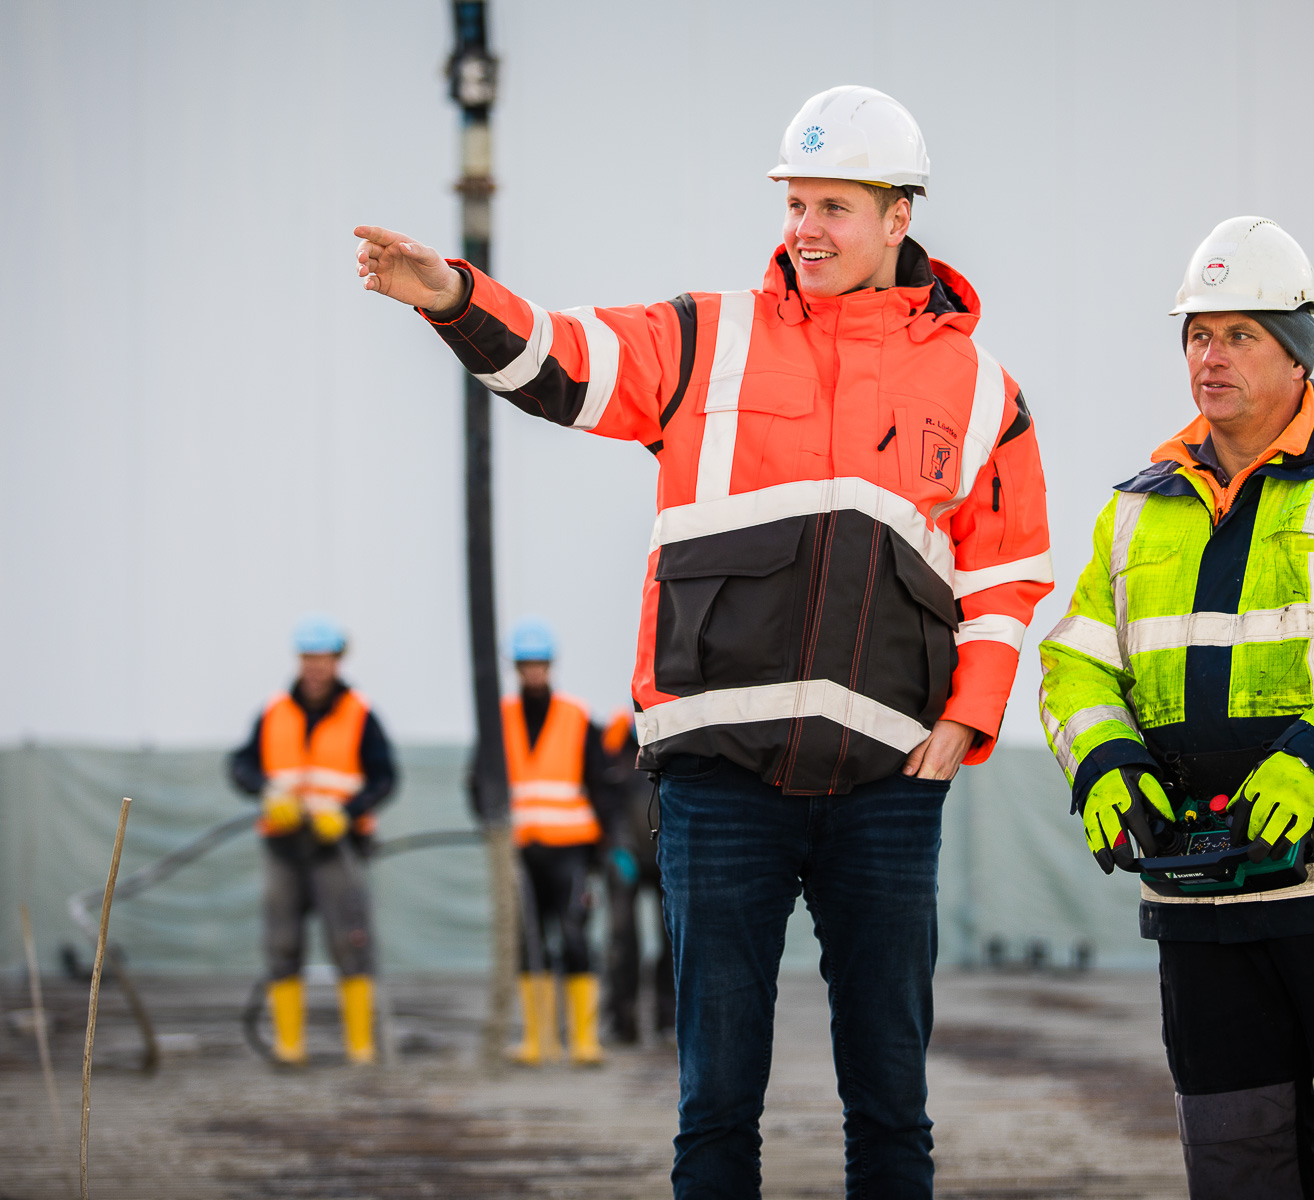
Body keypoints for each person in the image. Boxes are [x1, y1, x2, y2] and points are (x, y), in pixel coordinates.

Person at [355, 84, 1052, 1198]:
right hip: (719, 787)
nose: (806, 230)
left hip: (884, 790)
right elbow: (566, 361)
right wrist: (452, 296)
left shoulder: (978, 388)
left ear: (896, 217)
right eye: (795, 203)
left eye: (833, 205)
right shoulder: (705, 337)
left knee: (890, 1107)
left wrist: (969, 716)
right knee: (716, 1105)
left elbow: (1009, 573)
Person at [1038, 216, 1314, 1198]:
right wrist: (1106, 763)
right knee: (1237, 1169)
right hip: (1201, 905)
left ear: (1298, 353)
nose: (1211, 355)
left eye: (1241, 334)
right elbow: (1074, 661)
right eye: (1198, 333)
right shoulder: (1135, 510)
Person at [228, 613, 397, 1066]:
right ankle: (289, 1046)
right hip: (284, 847)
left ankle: (360, 1046)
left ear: (338, 660)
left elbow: (385, 777)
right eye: (308, 658)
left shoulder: (361, 714)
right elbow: (241, 764)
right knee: (281, 942)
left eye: (322, 659)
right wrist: (266, 791)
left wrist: (348, 812)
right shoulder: (274, 710)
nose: (315, 668)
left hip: (336, 849)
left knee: (351, 941)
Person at [500, 617, 615, 1067]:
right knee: (528, 941)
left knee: (574, 938)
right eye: (526, 664)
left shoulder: (576, 717)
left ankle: (583, 1040)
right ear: (517, 667)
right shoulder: (502, 719)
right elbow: (482, 782)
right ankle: (538, 1039)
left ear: (550, 665)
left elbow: (602, 785)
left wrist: (605, 849)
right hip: (522, 851)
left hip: (571, 851)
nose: (533, 672)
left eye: (539, 664)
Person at [599, 706, 674, 1045]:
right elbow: (602, 800)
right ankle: (622, 1021)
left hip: (667, 859)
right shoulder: (613, 748)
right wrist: (614, 845)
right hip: (624, 858)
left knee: (673, 940)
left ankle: (669, 1019)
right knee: (622, 941)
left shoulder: (675, 743)